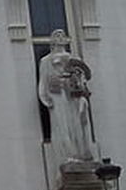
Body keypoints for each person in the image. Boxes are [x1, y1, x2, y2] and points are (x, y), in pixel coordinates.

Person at [37, 29, 94, 164]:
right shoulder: (46, 60)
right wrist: (45, 97)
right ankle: (68, 154)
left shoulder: (73, 59)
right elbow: (43, 80)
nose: (60, 37)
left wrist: (79, 86)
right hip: (57, 95)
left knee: (76, 122)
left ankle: (81, 152)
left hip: (72, 95)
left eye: (62, 35)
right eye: (57, 35)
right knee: (62, 124)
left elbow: (82, 77)